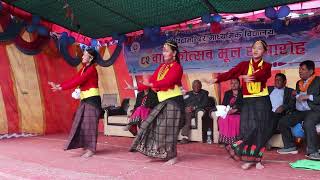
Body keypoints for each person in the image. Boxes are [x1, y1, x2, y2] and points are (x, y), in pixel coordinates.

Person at [203, 39, 272, 170]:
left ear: (264, 51)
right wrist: (216, 79)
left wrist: (250, 77)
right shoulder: (244, 65)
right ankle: (248, 158)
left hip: (262, 101)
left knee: (260, 129)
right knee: (248, 129)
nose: (256, 50)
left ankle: (257, 160)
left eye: (259, 48)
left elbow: (263, 75)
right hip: (248, 101)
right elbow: (231, 73)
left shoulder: (267, 66)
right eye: (254, 48)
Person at [129, 40, 184, 165]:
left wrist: (152, 84)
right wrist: (136, 88)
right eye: (163, 50)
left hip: (174, 101)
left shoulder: (177, 67)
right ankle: (162, 153)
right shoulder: (161, 67)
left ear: (174, 53)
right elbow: (152, 81)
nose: (164, 53)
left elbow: (168, 82)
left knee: (169, 130)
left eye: (167, 50)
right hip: (164, 101)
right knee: (155, 127)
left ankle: (172, 156)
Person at [48, 47, 101, 158]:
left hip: (92, 100)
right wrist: (59, 86)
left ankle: (91, 150)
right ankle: (86, 146)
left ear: (90, 58)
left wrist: (61, 88)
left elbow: (78, 81)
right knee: (81, 122)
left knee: (90, 125)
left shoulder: (91, 69)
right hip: (85, 99)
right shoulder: (83, 69)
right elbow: (74, 79)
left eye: (84, 55)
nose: (82, 56)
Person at [277, 60, 320, 160]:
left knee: (308, 123)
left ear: (311, 71)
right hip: (300, 112)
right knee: (283, 121)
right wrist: (294, 96)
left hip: (315, 110)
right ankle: (290, 146)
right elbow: (298, 97)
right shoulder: (298, 83)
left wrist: (309, 96)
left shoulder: (318, 81)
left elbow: (311, 97)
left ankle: (313, 152)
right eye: (299, 69)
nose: (300, 71)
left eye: (303, 69)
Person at [218, 78, 242, 145]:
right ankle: (225, 140)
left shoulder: (243, 93)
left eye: (235, 83)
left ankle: (234, 140)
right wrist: (226, 110)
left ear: (239, 84)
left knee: (232, 119)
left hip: (239, 112)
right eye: (232, 83)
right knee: (222, 118)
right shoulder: (227, 93)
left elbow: (245, 104)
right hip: (228, 112)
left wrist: (235, 109)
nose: (233, 85)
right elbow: (224, 104)